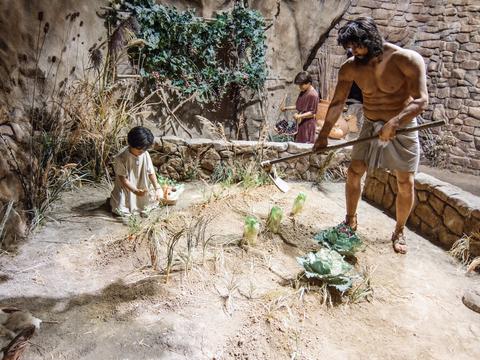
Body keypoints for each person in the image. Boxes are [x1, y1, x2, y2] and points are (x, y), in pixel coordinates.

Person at [313, 17, 428, 254]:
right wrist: (323, 135)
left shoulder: (405, 59)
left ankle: (399, 231)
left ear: (371, 40)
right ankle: (350, 220)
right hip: (371, 123)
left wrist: (395, 122)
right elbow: (336, 103)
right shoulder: (351, 67)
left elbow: (421, 100)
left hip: (403, 126)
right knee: (354, 171)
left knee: (405, 181)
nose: (353, 52)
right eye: (350, 48)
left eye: (357, 46)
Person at [110, 126, 162, 216]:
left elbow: (151, 172)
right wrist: (135, 191)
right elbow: (123, 179)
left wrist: (157, 187)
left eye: (145, 149)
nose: (142, 151)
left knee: (151, 201)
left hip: (142, 184)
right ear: (130, 144)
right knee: (121, 208)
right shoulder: (121, 158)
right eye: (139, 149)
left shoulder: (144, 153)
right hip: (127, 188)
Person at [281, 71, 319, 143]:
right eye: (299, 85)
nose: (300, 87)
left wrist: (300, 116)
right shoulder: (303, 91)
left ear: (308, 83)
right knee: (298, 142)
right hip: (300, 122)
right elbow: (299, 106)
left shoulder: (313, 95)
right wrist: (286, 108)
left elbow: (312, 112)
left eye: (301, 85)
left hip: (308, 124)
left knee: (305, 144)